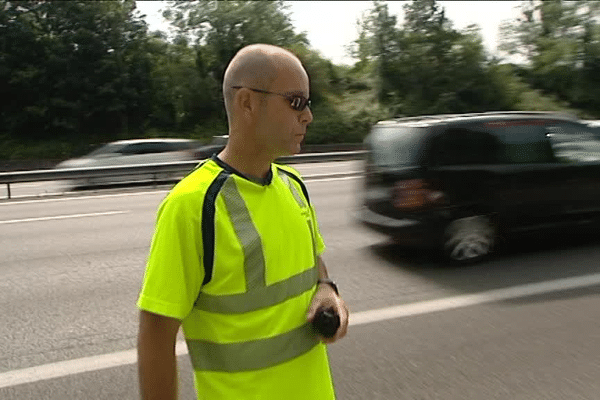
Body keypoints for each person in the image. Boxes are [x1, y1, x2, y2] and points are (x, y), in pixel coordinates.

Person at [137, 43, 349, 400]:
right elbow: (156, 335)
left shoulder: (294, 187)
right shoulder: (193, 205)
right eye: (296, 101)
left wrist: (327, 289)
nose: (308, 115)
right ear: (248, 102)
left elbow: (313, 260)